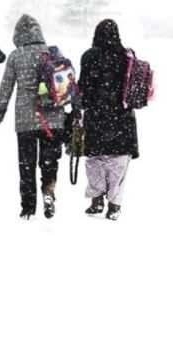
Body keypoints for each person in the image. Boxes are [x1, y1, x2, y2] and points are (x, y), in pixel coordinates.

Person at [0, 14, 65, 220]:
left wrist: (0, 112)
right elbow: (65, 84)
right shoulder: (52, 52)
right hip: (54, 118)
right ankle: (48, 190)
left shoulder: (16, 56)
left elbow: (6, 86)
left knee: (26, 164)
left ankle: (28, 207)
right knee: (49, 161)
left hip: (25, 119)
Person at [78, 19, 139, 221]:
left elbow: (83, 88)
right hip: (122, 118)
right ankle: (114, 205)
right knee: (119, 162)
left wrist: (82, 106)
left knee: (95, 159)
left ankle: (96, 200)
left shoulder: (89, 57)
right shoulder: (127, 57)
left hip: (96, 116)